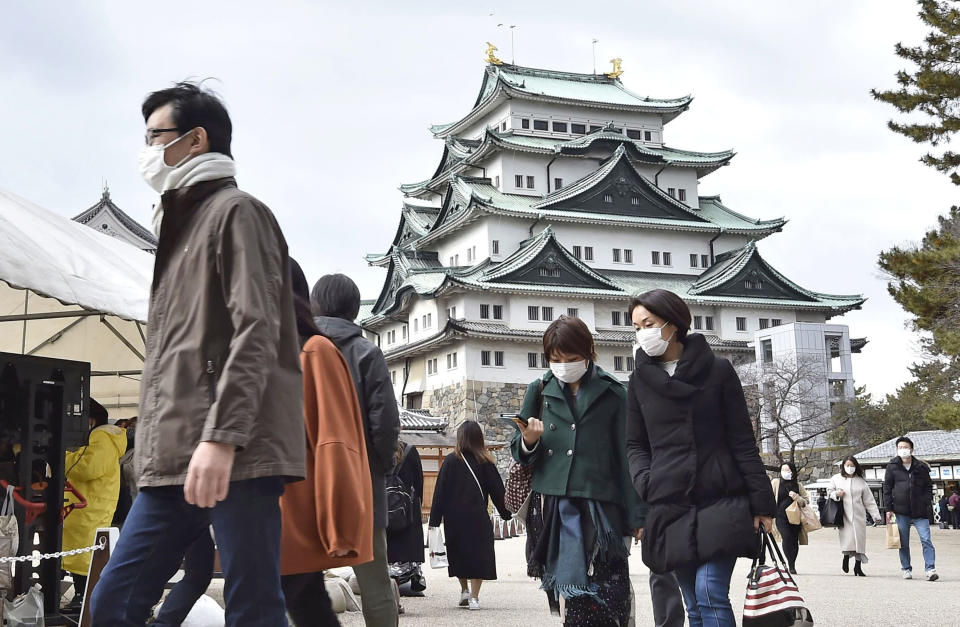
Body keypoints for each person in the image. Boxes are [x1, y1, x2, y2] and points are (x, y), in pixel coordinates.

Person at [90, 81, 306, 626]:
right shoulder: (177, 226)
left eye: (153, 136)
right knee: (115, 601)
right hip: (173, 456)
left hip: (235, 451)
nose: (145, 151)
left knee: (252, 605)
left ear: (195, 140)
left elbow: (256, 330)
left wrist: (221, 437)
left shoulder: (238, 212)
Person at [625, 289, 775, 627]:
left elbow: (742, 440)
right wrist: (646, 482)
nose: (642, 333)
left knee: (710, 592)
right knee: (692, 603)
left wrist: (762, 504)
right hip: (669, 502)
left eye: (648, 323)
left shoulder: (719, 371)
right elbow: (635, 444)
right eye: (635, 327)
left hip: (721, 499)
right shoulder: (639, 382)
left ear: (672, 322)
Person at [511, 315, 650, 626]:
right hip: (554, 506)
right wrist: (528, 440)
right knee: (571, 590)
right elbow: (518, 451)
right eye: (555, 359)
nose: (563, 365)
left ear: (589, 352)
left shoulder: (613, 393)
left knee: (608, 585)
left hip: (603, 506)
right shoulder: (540, 389)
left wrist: (637, 515)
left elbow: (626, 456)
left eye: (572, 358)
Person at [280, 259, 375, 626]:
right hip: (285, 503)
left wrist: (340, 522)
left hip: (302, 505)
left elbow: (335, 442)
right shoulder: (287, 351)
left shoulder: (314, 350)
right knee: (305, 603)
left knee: (294, 602)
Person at [312, 273, 401, 626]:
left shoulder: (296, 348)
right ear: (353, 309)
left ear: (315, 305)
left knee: (302, 574)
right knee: (374, 576)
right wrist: (380, 465)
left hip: (310, 477)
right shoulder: (367, 352)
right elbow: (385, 422)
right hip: (361, 478)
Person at [429, 421, 511, 611]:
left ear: (460, 438)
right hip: (477, 518)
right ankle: (474, 597)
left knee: (459, 554)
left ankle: (464, 589)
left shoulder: (450, 461)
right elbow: (498, 491)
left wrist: (434, 521)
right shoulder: (486, 462)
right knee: (479, 555)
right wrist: (506, 513)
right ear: (479, 439)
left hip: (454, 519)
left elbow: (440, 492)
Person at [62, 400, 127, 610]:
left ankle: (84, 596)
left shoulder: (102, 437)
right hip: (89, 503)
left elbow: (87, 468)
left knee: (84, 555)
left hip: (91, 505)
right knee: (78, 553)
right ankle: (82, 595)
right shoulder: (102, 437)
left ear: (90, 420)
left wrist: (61, 457)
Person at [883, 436, 938, 581]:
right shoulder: (892, 466)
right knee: (903, 541)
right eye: (900, 447)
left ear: (911, 449)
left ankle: (930, 569)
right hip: (900, 511)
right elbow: (887, 488)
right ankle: (906, 568)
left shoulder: (921, 467)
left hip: (920, 511)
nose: (903, 450)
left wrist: (927, 501)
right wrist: (889, 508)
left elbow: (928, 486)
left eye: (905, 447)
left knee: (926, 539)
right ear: (897, 449)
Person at [828, 456, 881, 576]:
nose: (850, 468)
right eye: (847, 465)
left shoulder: (861, 481)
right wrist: (836, 493)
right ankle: (846, 557)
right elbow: (828, 491)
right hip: (843, 514)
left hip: (858, 515)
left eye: (852, 466)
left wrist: (876, 516)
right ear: (843, 466)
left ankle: (858, 566)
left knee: (859, 541)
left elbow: (869, 500)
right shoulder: (836, 479)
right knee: (848, 538)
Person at [387, 441, 427, 595]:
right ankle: (411, 577)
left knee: (388, 555)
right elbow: (419, 483)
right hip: (407, 509)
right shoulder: (410, 451)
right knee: (404, 552)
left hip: (384, 508)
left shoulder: (377, 450)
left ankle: (392, 595)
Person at [769, 462, 810, 574]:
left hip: (795, 517)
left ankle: (792, 563)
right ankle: (789, 563)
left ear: (792, 472)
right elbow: (770, 497)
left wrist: (797, 497)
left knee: (794, 540)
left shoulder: (798, 485)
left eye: (788, 470)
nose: (785, 472)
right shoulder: (776, 482)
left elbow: (806, 501)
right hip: (780, 516)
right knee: (786, 538)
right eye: (783, 470)